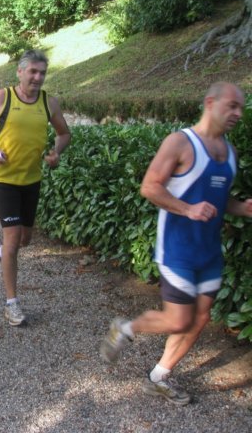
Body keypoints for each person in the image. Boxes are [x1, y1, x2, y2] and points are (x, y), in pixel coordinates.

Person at [100, 82, 252, 405]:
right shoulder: (181, 143)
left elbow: (218, 200)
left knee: (200, 318)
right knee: (179, 320)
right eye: (232, 106)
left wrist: (242, 208)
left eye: (241, 107)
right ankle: (124, 328)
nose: (238, 113)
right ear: (210, 103)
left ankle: (159, 378)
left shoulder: (230, 153)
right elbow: (149, 187)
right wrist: (187, 209)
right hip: (177, 249)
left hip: (209, 252)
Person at [0, 49, 71, 327]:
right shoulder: (2, 98)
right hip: (5, 180)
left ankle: (1, 254)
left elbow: (64, 133)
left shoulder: (49, 102)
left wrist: (56, 152)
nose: (37, 77)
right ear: (20, 72)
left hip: (32, 180)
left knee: (25, 240)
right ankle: (11, 303)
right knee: (13, 240)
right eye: (33, 72)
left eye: (42, 73)